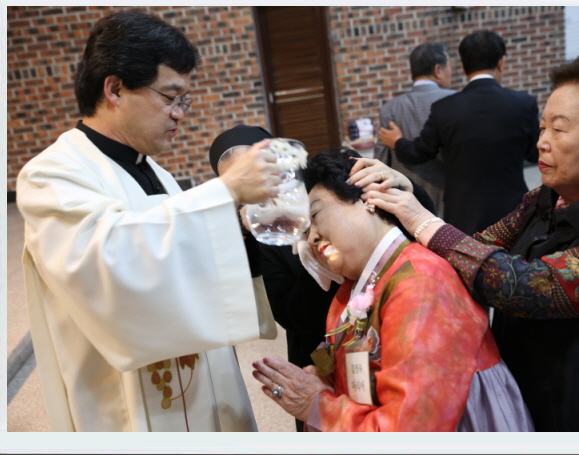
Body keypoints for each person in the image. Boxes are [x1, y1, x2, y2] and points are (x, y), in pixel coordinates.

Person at [16, 10, 282, 432]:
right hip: (124, 407)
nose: (180, 114)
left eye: (184, 101)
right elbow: (110, 262)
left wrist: (240, 228)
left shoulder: (156, 172)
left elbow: (183, 253)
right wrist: (225, 192)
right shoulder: (52, 175)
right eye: (170, 97)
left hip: (203, 384)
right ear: (115, 89)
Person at [361, 51, 579, 432]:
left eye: (559, 130)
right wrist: (407, 197)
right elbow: (475, 249)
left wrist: (422, 219)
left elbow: (525, 286)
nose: (542, 142)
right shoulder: (545, 198)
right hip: (531, 398)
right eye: (542, 128)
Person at [251, 147, 533, 432]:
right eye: (305, 232)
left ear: (368, 199)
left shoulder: (421, 285)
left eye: (316, 215)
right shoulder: (352, 288)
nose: (311, 238)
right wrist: (323, 381)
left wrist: (317, 405)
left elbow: (411, 427)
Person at [209, 124, 437, 432]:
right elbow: (290, 314)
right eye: (241, 184)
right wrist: (317, 264)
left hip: (389, 322)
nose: (255, 185)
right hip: (319, 353)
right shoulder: (263, 232)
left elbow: (414, 219)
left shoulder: (330, 180)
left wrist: (402, 183)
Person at [379, 30, 539, 236]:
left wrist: (398, 141)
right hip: (513, 209)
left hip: (463, 212)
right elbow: (534, 154)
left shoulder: (444, 108)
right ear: (502, 62)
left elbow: (419, 152)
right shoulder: (523, 104)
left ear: (463, 67)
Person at [373, 42, 456, 217]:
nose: (451, 70)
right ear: (438, 69)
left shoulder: (390, 109)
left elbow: (381, 162)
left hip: (407, 201)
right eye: (449, 65)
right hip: (451, 198)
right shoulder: (455, 101)